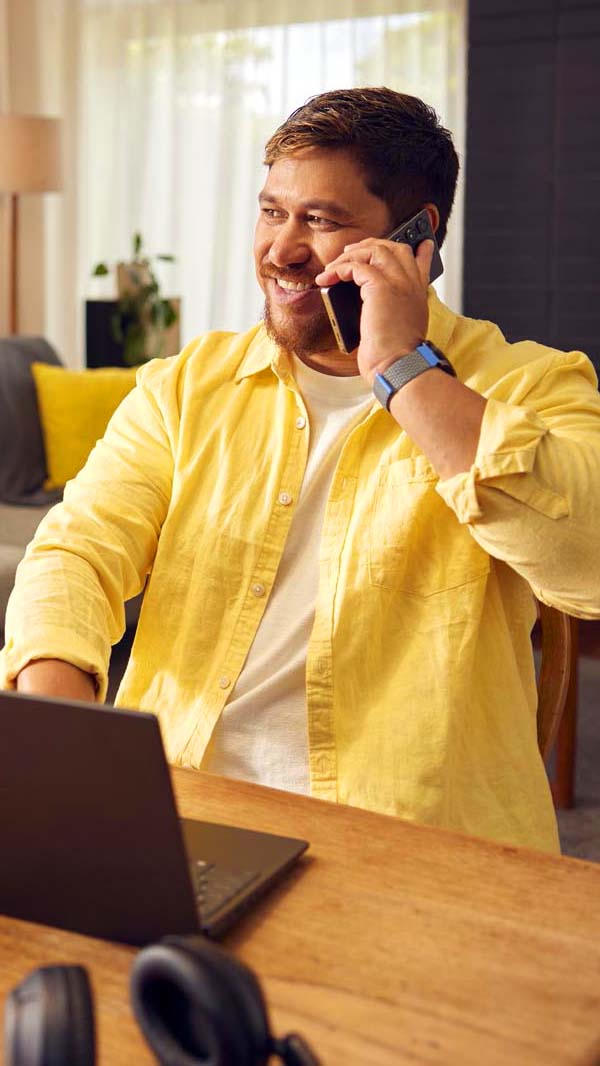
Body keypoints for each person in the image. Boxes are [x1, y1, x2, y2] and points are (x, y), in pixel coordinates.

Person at [2, 87, 600, 854]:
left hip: (407, 846)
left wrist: (402, 370)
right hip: (181, 814)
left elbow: (587, 562)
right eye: (272, 210)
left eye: (320, 221)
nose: (280, 249)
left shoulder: (526, 385)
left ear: (419, 239)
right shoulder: (188, 386)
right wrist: (64, 727)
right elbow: (78, 552)